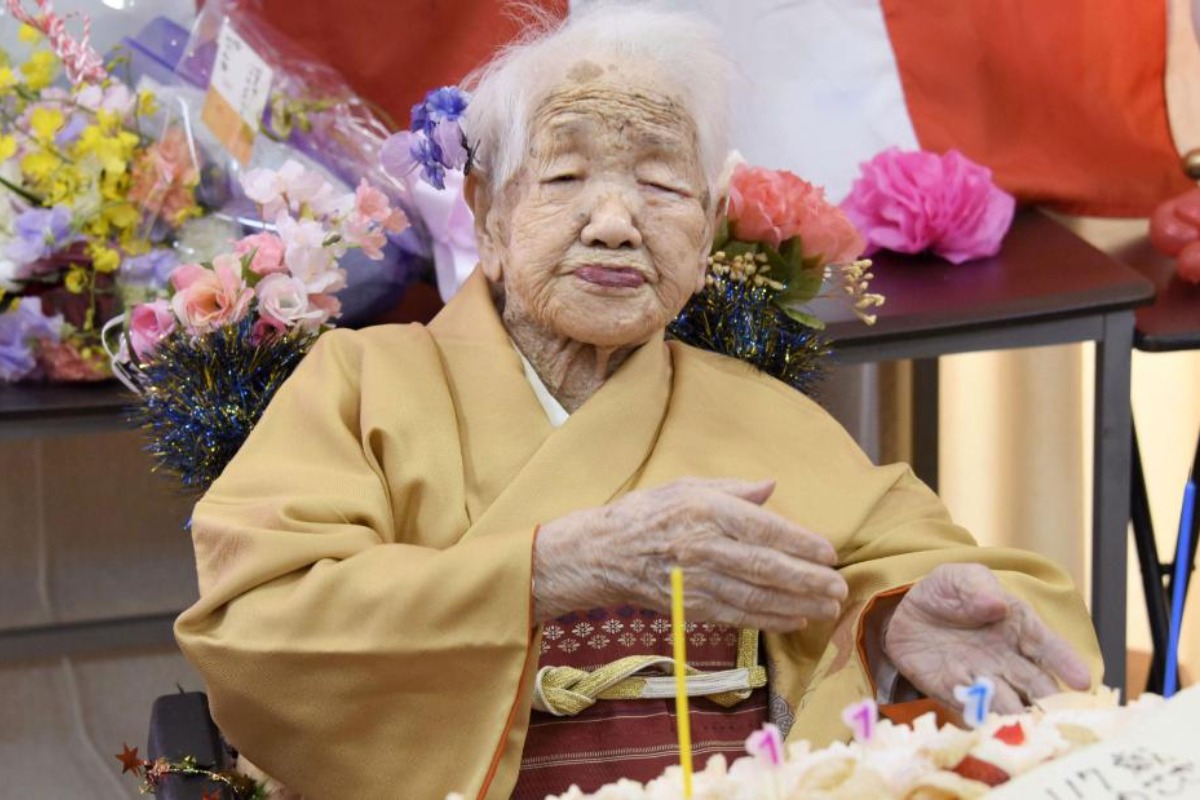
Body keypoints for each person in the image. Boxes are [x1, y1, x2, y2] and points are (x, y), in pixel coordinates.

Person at [174, 6, 1102, 799]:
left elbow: (948, 582)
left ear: (705, 232)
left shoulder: (761, 416)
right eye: (567, 177)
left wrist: (894, 619)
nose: (616, 221)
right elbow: (255, 632)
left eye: (662, 185)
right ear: (489, 213)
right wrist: (550, 569)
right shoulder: (360, 383)